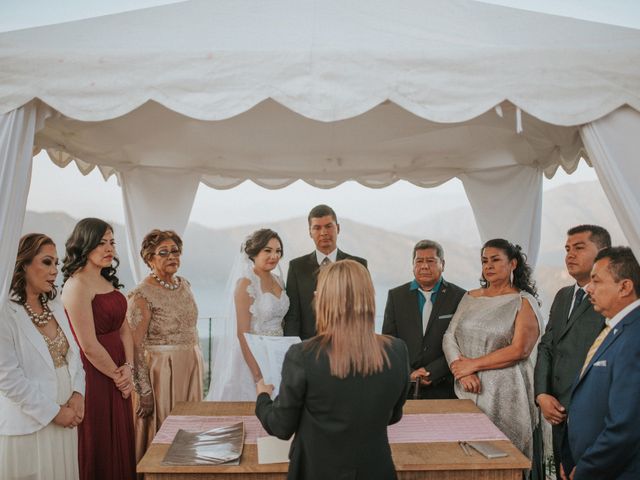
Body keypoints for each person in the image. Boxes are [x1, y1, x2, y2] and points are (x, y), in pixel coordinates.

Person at [256, 260, 410, 480]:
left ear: (323, 300)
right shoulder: (397, 351)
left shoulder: (303, 356)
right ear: (368, 298)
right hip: (377, 470)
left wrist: (262, 397)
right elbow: (393, 416)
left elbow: (281, 426)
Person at [443, 238, 543, 460]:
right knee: (467, 457)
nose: (488, 266)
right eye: (484, 261)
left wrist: (472, 365)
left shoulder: (523, 302)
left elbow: (520, 350)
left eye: (496, 260)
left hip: (506, 394)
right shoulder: (469, 297)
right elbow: (449, 335)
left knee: (504, 459)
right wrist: (459, 370)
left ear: (513, 264)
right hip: (467, 389)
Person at [0, 233, 85, 480]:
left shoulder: (55, 304)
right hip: (29, 425)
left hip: (66, 420)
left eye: (57, 263)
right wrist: (53, 412)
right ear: (24, 264)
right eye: (47, 262)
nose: (55, 270)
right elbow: (7, 378)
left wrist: (78, 394)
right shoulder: (5, 311)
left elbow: (74, 354)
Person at [61, 218, 136, 480]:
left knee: (121, 436)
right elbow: (88, 345)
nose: (109, 248)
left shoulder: (107, 282)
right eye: (101, 242)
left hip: (119, 371)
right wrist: (118, 376)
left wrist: (129, 368)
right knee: (101, 437)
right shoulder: (76, 286)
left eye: (112, 242)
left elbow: (125, 329)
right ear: (85, 244)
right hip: (95, 374)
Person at [534, 225, 610, 478]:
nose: (569, 255)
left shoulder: (610, 298)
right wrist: (542, 394)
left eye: (579, 248)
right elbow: (547, 346)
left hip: (591, 414)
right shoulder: (563, 295)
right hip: (555, 411)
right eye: (567, 249)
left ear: (603, 253)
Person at [561, 247, 640, 480]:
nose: (589, 289)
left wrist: (586, 469)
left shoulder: (635, 336)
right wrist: (570, 458)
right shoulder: (614, 329)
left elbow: (626, 425)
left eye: (596, 281)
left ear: (624, 287)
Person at [126, 230, 204, 463]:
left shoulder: (185, 284)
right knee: (164, 431)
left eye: (175, 251)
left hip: (190, 366)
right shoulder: (141, 294)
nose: (172, 256)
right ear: (149, 258)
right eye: (164, 252)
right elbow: (135, 346)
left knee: (190, 427)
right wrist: (144, 391)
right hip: (162, 372)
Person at [206, 228, 289, 400]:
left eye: (278, 251)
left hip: (277, 353)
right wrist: (257, 375)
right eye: (268, 250)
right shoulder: (245, 284)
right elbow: (242, 334)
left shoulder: (279, 280)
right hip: (253, 355)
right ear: (253, 253)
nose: (274, 256)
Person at [382, 239, 465, 399]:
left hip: (444, 386)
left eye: (431, 261)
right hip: (404, 386)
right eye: (419, 261)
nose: (424, 266)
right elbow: (389, 342)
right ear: (413, 264)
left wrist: (432, 372)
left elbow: (461, 343)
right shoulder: (396, 296)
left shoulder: (459, 296)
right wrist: (410, 372)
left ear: (443, 264)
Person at [283, 204, 367, 339]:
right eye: (317, 228)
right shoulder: (296, 267)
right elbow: (293, 316)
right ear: (310, 232)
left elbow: (364, 311)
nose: (324, 233)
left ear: (337, 228)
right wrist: (293, 351)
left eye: (328, 226)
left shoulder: (358, 265)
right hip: (308, 348)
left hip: (349, 345)